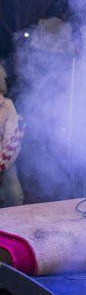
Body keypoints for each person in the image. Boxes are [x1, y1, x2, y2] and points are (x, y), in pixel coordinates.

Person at [0, 64, 25, 207]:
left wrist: (1, 166)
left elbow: (11, 142)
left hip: (3, 161)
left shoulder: (7, 106)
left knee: (14, 195)